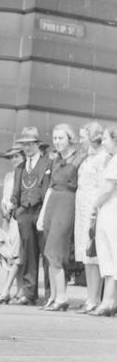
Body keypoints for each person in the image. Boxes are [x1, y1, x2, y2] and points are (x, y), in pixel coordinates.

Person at [36, 124, 83, 311]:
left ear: (70, 139)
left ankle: (62, 297)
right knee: (49, 251)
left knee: (54, 250)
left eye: (60, 138)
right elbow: (50, 187)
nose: (57, 141)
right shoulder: (55, 160)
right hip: (52, 203)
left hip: (67, 203)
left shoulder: (79, 159)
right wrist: (42, 214)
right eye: (55, 138)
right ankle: (54, 297)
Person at [10, 126, 52, 306]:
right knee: (28, 254)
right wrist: (14, 207)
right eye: (24, 145)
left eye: (29, 144)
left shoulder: (47, 163)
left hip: (41, 211)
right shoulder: (20, 167)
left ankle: (51, 294)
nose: (26, 148)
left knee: (47, 253)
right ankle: (29, 293)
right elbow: (16, 191)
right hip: (25, 213)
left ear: (37, 144)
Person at [74, 122, 108, 313]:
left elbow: (102, 186)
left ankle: (95, 298)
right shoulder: (88, 157)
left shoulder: (102, 158)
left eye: (83, 136)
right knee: (86, 256)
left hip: (92, 209)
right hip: (82, 209)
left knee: (93, 254)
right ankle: (90, 298)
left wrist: (96, 211)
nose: (80, 140)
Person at [0, 144, 24, 304]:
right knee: (7, 253)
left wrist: (11, 208)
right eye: (11, 157)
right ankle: (15, 289)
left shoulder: (24, 174)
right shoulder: (9, 175)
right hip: (7, 218)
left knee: (16, 253)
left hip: (17, 216)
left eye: (17, 156)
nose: (14, 160)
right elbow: (5, 196)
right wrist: (3, 207)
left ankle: (6, 291)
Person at [89, 126, 117, 317]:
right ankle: (108, 300)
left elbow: (107, 189)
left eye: (106, 139)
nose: (103, 142)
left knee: (112, 253)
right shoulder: (111, 159)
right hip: (107, 210)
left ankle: (108, 301)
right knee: (107, 255)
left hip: (111, 210)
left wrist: (93, 205)